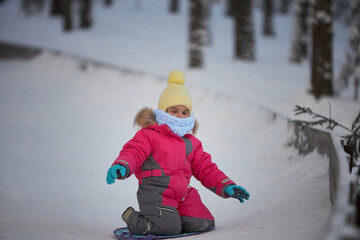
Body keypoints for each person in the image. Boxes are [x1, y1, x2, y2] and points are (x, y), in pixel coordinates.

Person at [106, 70, 250, 236]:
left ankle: (171, 218)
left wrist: (226, 186)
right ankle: (133, 218)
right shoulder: (150, 135)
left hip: (182, 194)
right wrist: (122, 165)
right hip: (156, 193)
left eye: (184, 112)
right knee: (167, 228)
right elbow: (134, 151)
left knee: (203, 222)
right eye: (174, 111)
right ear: (163, 111)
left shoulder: (191, 142)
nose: (180, 116)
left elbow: (206, 168)